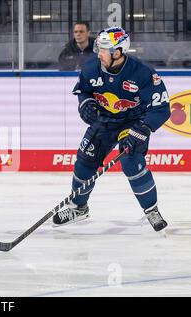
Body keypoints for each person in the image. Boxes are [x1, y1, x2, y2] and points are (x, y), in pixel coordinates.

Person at [53, 27, 170, 232]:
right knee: (84, 162)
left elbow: (161, 108)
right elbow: (84, 91)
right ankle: (79, 208)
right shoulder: (92, 67)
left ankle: (151, 210)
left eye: (104, 49)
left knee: (131, 161)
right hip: (105, 121)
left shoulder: (143, 73)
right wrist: (85, 104)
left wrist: (141, 129)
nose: (99, 53)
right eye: (98, 47)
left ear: (117, 52)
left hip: (133, 122)